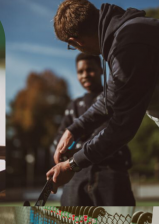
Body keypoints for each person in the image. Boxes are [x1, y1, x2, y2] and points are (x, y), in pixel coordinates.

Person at [48, 0, 159, 195]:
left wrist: (73, 165)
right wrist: (74, 129)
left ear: (75, 41)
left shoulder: (128, 45)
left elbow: (122, 126)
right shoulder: (126, 34)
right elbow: (111, 97)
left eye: (70, 46)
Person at [53, 53, 134, 205]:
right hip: (75, 174)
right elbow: (59, 139)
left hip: (110, 171)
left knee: (116, 223)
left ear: (101, 70)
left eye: (90, 69)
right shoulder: (74, 105)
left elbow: (108, 134)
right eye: (80, 72)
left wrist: (78, 144)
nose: (85, 75)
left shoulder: (113, 98)